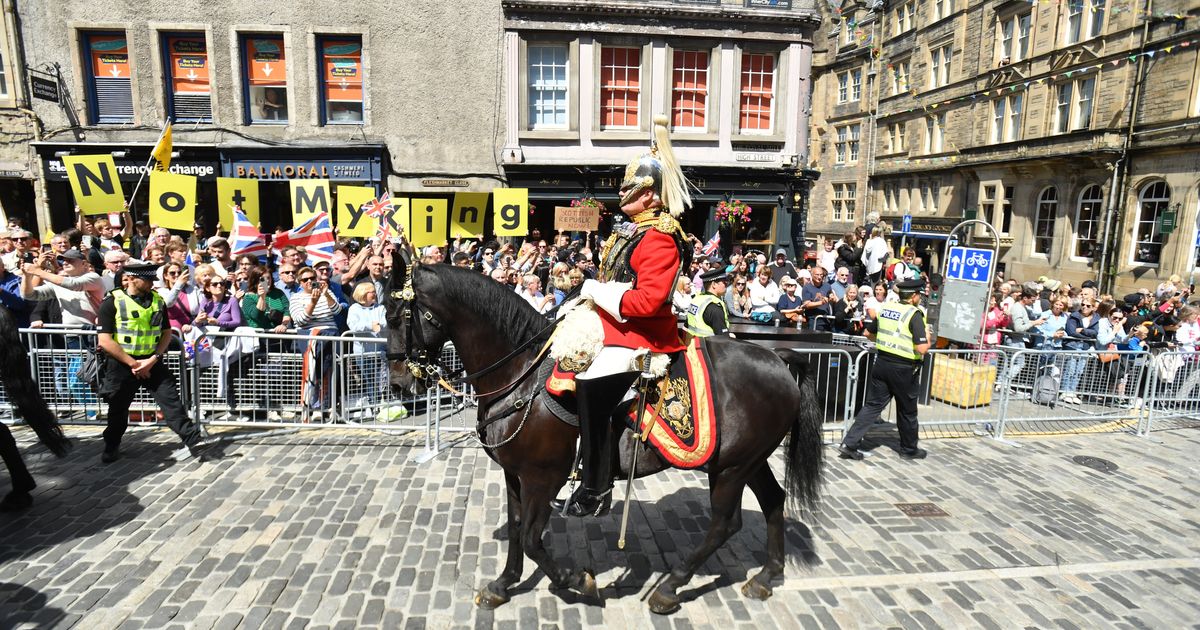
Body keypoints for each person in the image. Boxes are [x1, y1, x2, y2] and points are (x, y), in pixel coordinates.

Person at [555, 114, 693, 518]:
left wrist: (599, 292)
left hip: (644, 334)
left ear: (650, 195)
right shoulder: (633, 229)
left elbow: (648, 303)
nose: (622, 193)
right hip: (615, 323)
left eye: (630, 187)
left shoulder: (660, 237)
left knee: (592, 389)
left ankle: (596, 488)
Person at [95, 264, 208, 463]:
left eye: (151, 281)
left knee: (171, 401)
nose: (150, 284)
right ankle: (111, 446)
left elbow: (166, 334)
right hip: (122, 365)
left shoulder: (158, 301)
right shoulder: (111, 302)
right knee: (118, 410)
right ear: (130, 278)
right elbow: (105, 341)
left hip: (152, 361)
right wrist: (134, 364)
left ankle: (193, 440)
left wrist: (152, 359)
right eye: (145, 280)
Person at [838, 277, 931, 461]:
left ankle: (850, 443)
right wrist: (927, 335)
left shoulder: (886, 309)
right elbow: (922, 349)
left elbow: (868, 334)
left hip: (881, 364)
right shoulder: (915, 314)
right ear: (914, 296)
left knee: (872, 406)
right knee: (907, 410)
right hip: (904, 369)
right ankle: (909, 449)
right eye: (918, 295)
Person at [685, 268, 730, 337]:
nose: (726, 284)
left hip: (692, 344)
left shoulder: (697, 299)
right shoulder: (714, 306)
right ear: (714, 284)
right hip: (709, 346)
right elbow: (723, 338)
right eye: (724, 282)